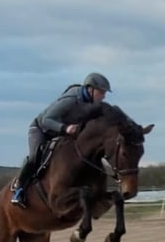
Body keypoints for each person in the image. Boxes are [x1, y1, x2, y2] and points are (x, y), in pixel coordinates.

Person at [10, 72, 112, 207]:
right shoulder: (71, 99)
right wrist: (65, 128)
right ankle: (19, 189)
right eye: (101, 92)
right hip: (41, 129)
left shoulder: (94, 104)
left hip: (62, 134)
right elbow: (47, 120)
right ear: (90, 88)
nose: (103, 96)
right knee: (36, 156)